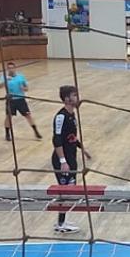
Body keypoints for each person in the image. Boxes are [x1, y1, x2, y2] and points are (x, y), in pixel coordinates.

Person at [52, 84, 91, 233]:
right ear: (67, 99)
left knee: (69, 192)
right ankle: (60, 225)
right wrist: (63, 162)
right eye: (74, 95)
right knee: (65, 192)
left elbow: (71, 137)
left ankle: (62, 220)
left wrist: (82, 149)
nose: (77, 98)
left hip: (71, 158)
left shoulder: (72, 114)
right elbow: (57, 140)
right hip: (63, 161)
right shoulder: (61, 116)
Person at [0, 61, 42, 141]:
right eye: (9, 68)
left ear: (15, 68)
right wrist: (5, 80)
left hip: (20, 99)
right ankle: (7, 134)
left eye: (12, 68)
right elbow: (0, 86)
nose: (11, 70)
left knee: (28, 115)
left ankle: (36, 131)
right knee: (8, 116)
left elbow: (26, 88)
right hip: (10, 100)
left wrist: (23, 88)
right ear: (7, 69)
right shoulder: (4, 77)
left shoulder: (21, 77)